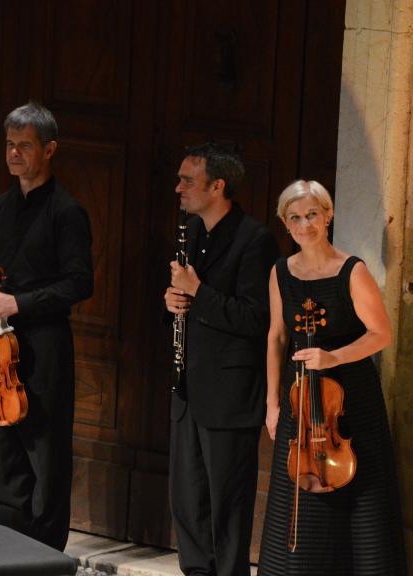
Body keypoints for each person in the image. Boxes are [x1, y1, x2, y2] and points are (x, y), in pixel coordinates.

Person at [0, 102, 93, 551]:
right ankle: (6, 550)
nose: (14, 153)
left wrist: (19, 302)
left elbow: (79, 282)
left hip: (42, 347)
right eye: (10, 145)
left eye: (25, 146)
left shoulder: (67, 211)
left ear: (49, 149)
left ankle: (44, 557)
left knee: (44, 454)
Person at [257, 180, 406, 575]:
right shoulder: (280, 273)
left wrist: (332, 356)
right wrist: (272, 405)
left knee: (362, 501)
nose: (304, 225)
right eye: (294, 218)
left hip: (349, 400)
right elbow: (276, 337)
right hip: (298, 399)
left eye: (311, 215)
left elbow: (381, 334)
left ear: (328, 215)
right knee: (300, 503)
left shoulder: (351, 270)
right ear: (284, 223)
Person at [163, 143, 278, 576]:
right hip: (187, 391)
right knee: (188, 505)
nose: (179, 188)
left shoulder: (255, 239)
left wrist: (197, 292)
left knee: (227, 509)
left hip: (229, 399)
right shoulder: (190, 232)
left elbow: (256, 318)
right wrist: (171, 300)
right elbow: (185, 304)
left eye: (188, 181)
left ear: (217, 186)